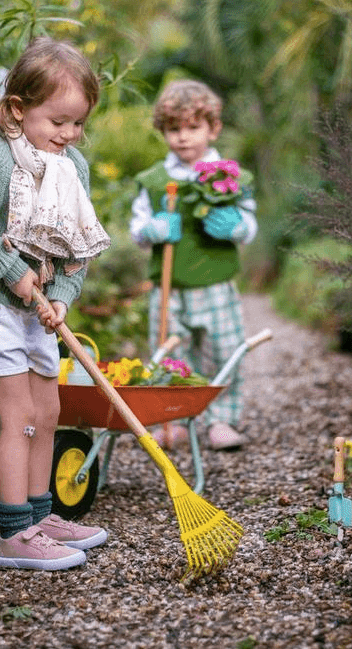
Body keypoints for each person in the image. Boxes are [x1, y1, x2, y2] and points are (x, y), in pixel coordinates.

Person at [0, 36, 111, 570]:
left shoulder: (72, 166)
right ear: (18, 108)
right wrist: (12, 270)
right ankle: (13, 535)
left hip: (36, 313)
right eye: (58, 121)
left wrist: (59, 296)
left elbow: (73, 247)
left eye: (78, 123)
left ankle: (42, 516)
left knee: (49, 412)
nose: (69, 134)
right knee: (19, 418)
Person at [129, 79, 258, 450]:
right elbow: (137, 229)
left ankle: (221, 421)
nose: (183, 138)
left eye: (192, 127)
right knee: (171, 355)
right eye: (174, 129)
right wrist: (152, 229)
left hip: (215, 283)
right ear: (163, 131)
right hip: (169, 289)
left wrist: (235, 227)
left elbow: (249, 225)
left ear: (213, 128)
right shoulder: (154, 181)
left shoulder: (230, 178)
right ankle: (175, 421)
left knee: (223, 350)